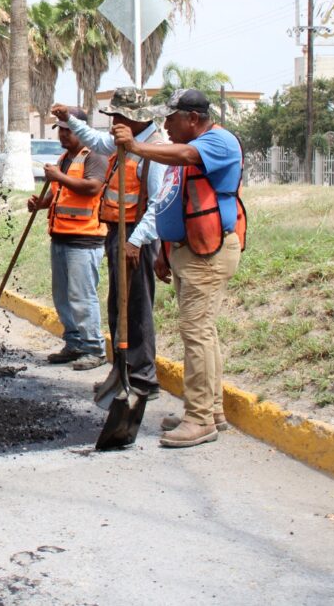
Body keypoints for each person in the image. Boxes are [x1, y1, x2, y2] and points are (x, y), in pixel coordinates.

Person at [113, 88, 244, 449]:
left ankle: (200, 419)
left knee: (197, 334)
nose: (165, 125)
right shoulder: (182, 152)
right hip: (188, 249)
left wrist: (137, 147)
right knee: (204, 333)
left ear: (192, 118)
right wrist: (164, 251)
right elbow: (173, 201)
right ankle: (211, 409)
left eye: (170, 118)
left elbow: (186, 155)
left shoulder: (219, 142)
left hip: (208, 253)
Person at [51, 88, 165, 399]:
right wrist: (70, 121)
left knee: (137, 309)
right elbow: (96, 141)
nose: (112, 121)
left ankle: (143, 378)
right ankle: (121, 372)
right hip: (118, 234)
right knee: (118, 308)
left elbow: (157, 204)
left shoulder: (153, 150)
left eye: (116, 115)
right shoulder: (122, 142)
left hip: (136, 240)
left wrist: (135, 241)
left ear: (135, 118)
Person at [27, 107, 109, 370]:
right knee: (62, 296)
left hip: (84, 240)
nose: (62, 135)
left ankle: (94, 348)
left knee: (82, 296)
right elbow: (59, 192)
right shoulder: (64, 159)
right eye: (60, 130)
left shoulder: (94, 156)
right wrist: (40, 204)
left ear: (80, 129)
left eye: (67, 130)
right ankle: (73, 343)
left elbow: (93, 188)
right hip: (61, 236)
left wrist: (58, 176)